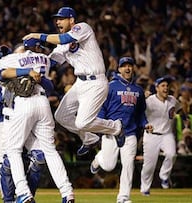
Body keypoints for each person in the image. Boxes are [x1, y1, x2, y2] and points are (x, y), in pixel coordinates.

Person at [22, 7, 124, 156]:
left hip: (96, 82)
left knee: (82, 122)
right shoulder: (61, 45)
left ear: (71, 20)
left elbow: (65, 38)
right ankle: (89, 138)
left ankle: (116, 127)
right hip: (80, 83)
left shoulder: (82, 28)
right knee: (61, 116)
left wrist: (37, 35)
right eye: (56, 19)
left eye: (61, 18)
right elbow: (51, 63)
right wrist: (37, 56)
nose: (57, 21)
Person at [0, 38, 75, 203]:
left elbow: (1, 73)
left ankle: (23, 192)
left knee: (13, 151)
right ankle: (67, 192)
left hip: (21, 106)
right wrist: (35, 75)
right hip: (42, 103)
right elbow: (50, 86)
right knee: (50, 151)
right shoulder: (45, 59)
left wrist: (23, 70)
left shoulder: (13, 59)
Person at [89, 57, 152, 203]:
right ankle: (98, 159)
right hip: (111, 132)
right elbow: (102, 108)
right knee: (109, 165)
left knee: (128, 164)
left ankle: (123, 197)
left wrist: (145, 124)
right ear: (119, 69)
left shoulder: (138, 90)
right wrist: (101, 126)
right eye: (124, 66)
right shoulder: (110, 86)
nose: (128, 68)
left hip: (130, 133)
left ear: (133, 68)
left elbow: (140, 113)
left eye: (130, 66)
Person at [140, 77, 180, 195]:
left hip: (167, 134)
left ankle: (164, 176)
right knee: (149, 165)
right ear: (157, 88)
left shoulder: (172, 100)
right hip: (151, 135)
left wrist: (184, 117)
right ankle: (145, 188)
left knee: (172, 154)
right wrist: (142, 97)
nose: (166, 88)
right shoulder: (149, 100)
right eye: (162, 85)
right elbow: (138, 110)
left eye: (167, 86)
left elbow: (180, 109)